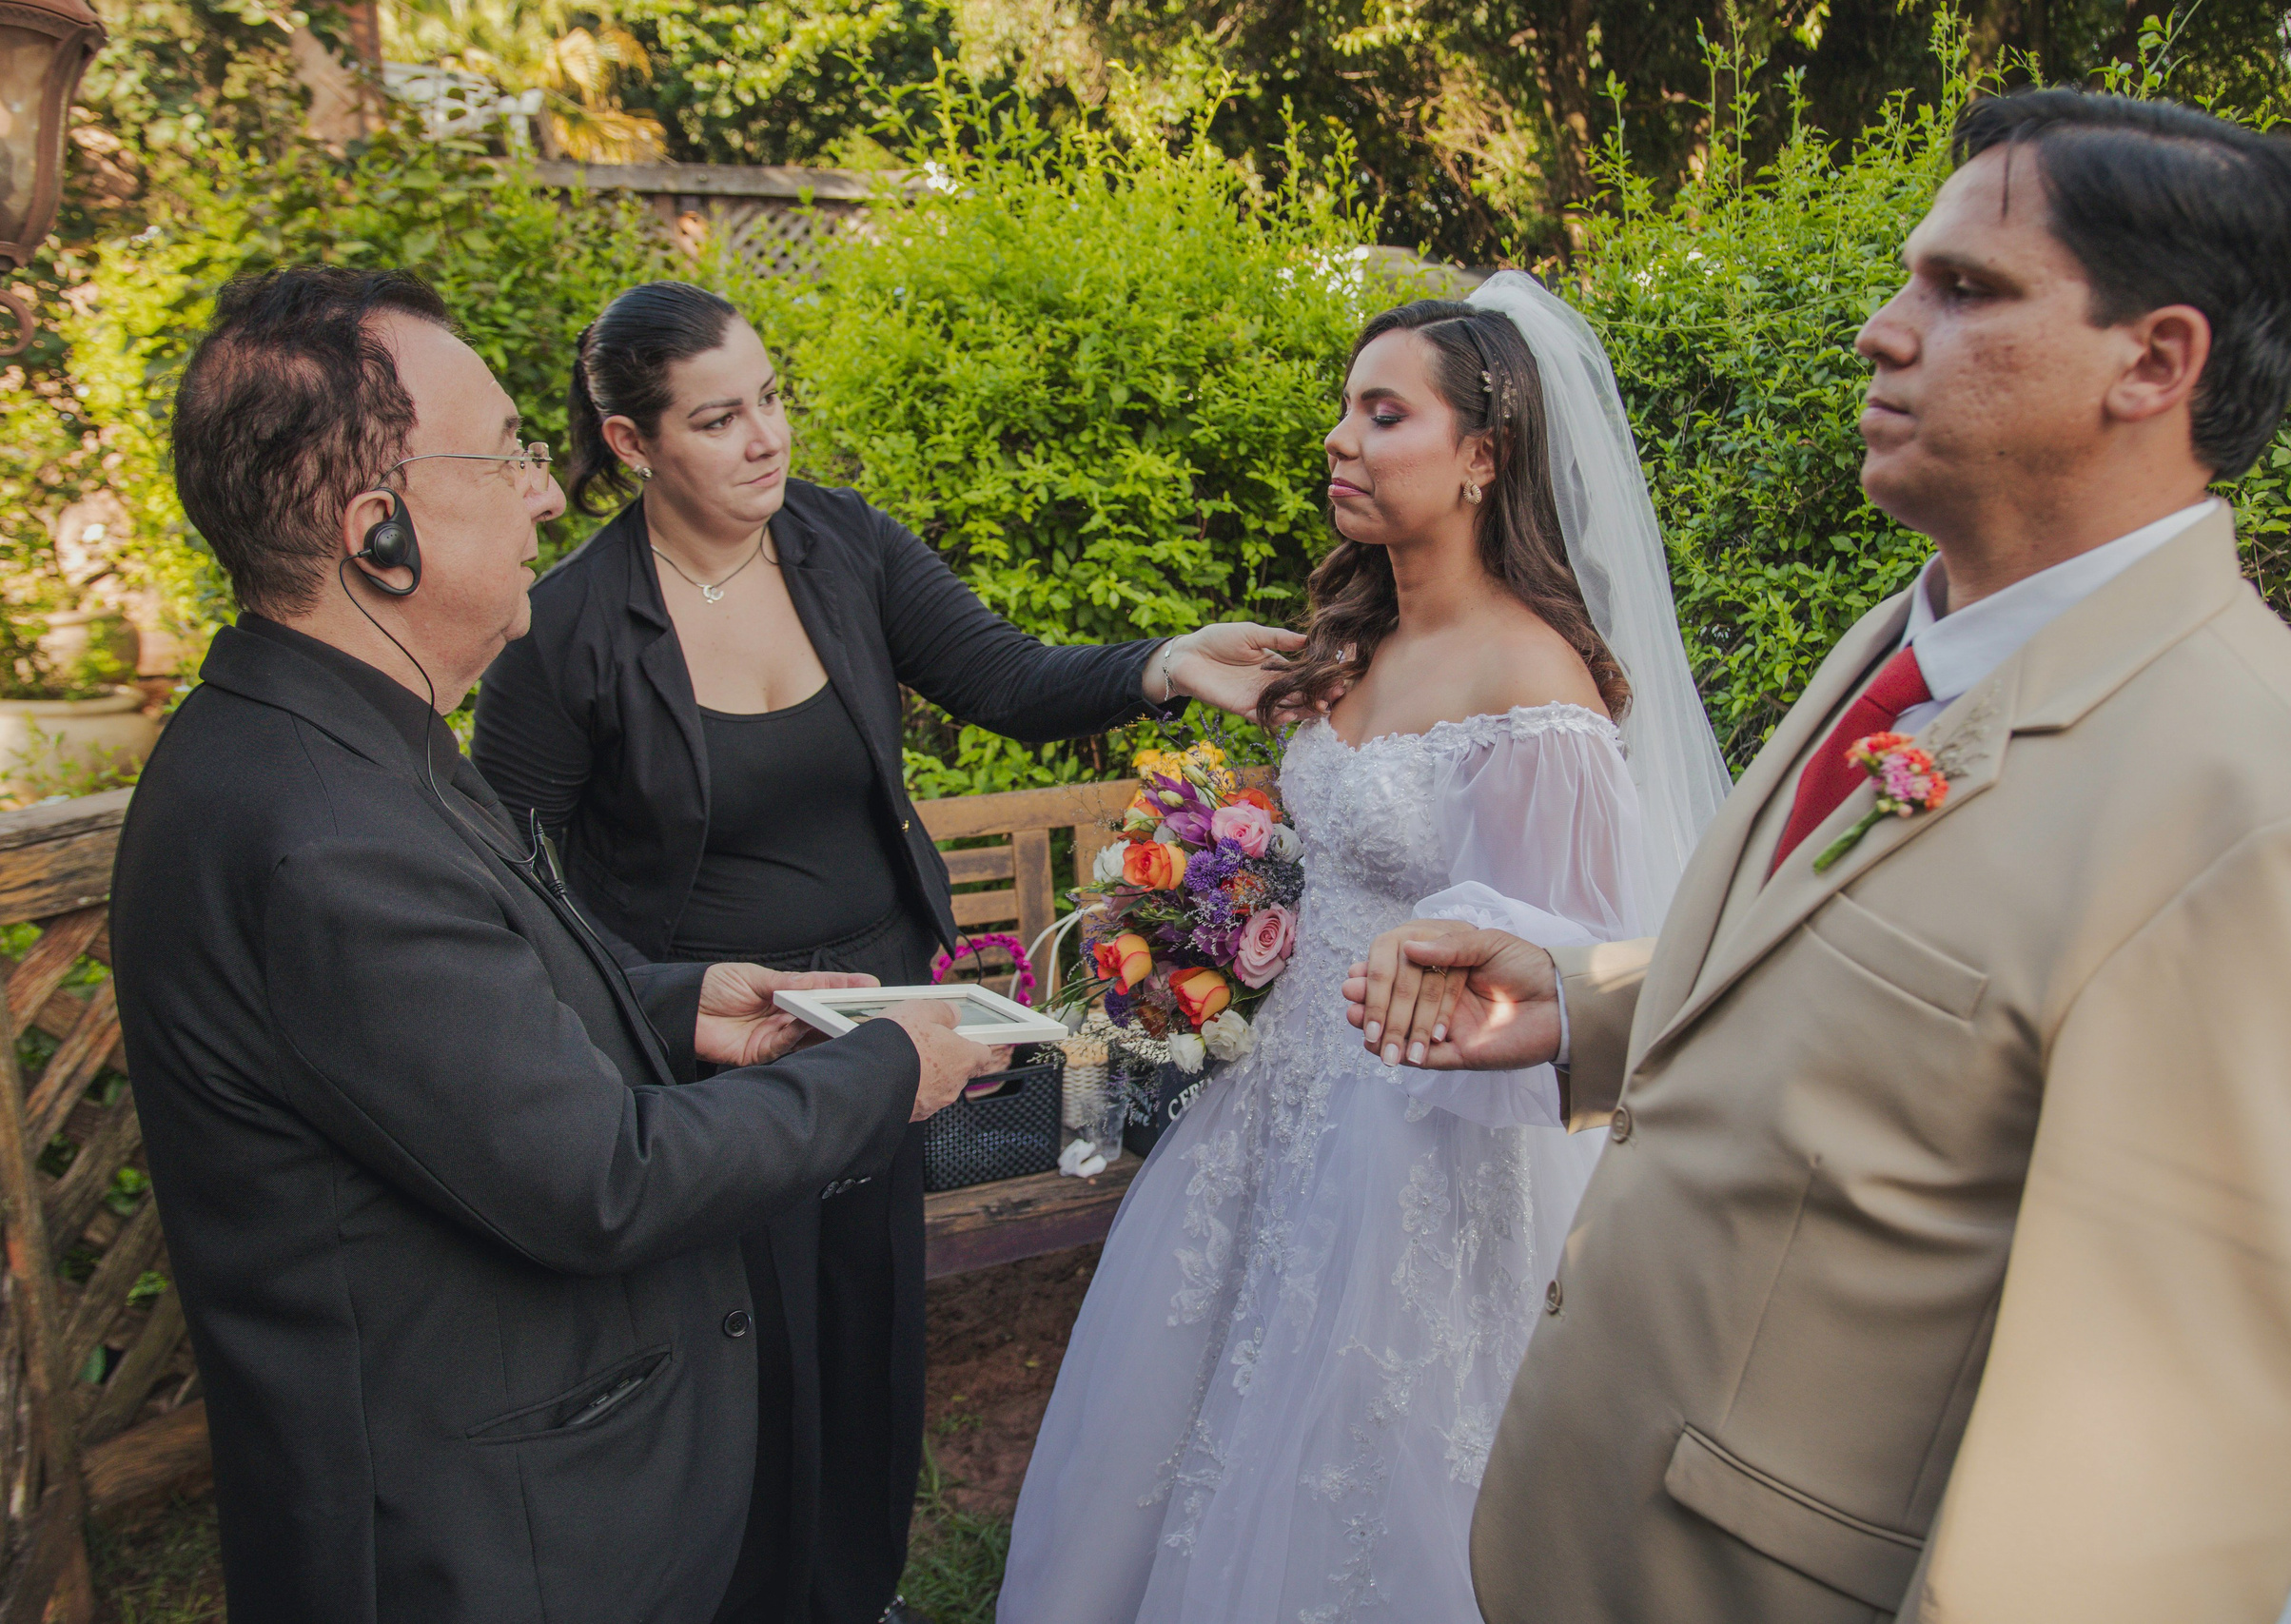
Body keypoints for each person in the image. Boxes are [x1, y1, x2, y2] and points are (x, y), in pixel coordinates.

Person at [1350, 92, 2291, 1623]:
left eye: (1967, 289)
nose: (1881, 329)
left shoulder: (2289, 822)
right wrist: (1587, 1001)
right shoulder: (1913, 637)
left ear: (2155, 361)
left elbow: (2149, 1494)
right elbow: (1926, 1007)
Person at [110, 266, 996, 1624]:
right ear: (378, 532)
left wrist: (676, 1004)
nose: (544, 492)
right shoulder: (322, 832)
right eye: (507, 455)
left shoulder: (340, 740)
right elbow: (600, 1179)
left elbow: (448, 1029)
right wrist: (887, 1067)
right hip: (479, 1545)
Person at [469, 281, 1302, 1624]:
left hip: (888, 1026)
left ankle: (859, 1596)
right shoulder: (568, 627)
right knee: (746, 1357)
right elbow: (503, 865)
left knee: (867, 1335)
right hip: (716, 1053)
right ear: (631, 443)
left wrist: (1164, 661)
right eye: (719, 419)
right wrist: (643, 1009)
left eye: (770, 399)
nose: (766, 437)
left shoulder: (841, 544)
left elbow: (1004, 676)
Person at [996, 273, 1732, 1623]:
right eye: (1346, 407)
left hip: (1420, 1153)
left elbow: (1572, 957)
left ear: (1482, 457)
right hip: (1265, 1110)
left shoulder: (1537, 689)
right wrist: (1202, 922)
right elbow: (1316, 861)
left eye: (1386, 414)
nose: (1342, 438)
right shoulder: (1355, 646)